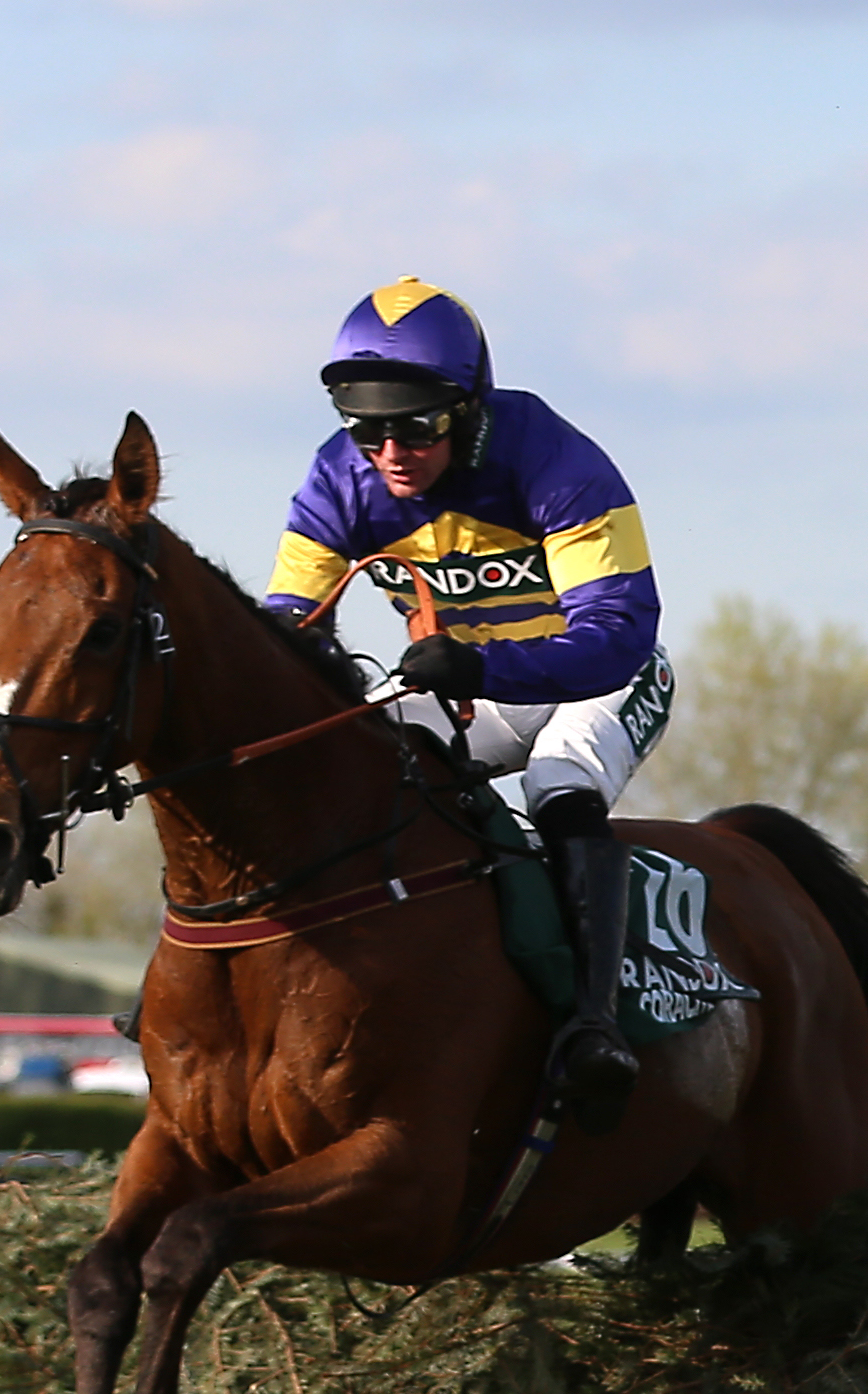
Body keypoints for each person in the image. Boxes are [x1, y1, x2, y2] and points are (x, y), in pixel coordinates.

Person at [259, 279, 670, 1133]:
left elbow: (620, 634)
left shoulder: (555, 460)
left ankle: (592, 1025)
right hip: (464, 681)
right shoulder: (342, 476)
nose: (391, 450)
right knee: (338, 763)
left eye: (416, 424)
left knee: (558, 779)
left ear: (470, 409)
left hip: (593, 673)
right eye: (366, 426)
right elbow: (285, 623)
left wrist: (479, 663)